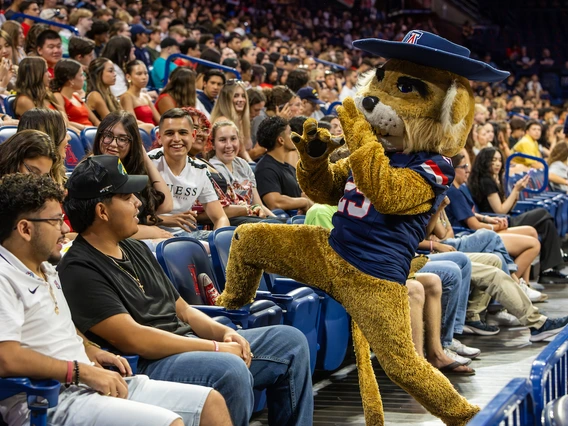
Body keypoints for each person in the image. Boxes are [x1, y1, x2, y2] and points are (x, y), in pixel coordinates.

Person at [59, 154, 314, 426]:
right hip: (147, 363)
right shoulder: (78, 268)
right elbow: (134, 339)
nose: (138, 203)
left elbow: (183, 310)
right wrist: (215, 348)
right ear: (102, 211)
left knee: (291, 342)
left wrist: (224, 333)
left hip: (187, 345)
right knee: (230, 369)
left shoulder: (133, 247)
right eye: (127, 197)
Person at [0, 172, 233, 426]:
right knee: (169, 422)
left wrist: (90, 349)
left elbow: (56, 328)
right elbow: (6, 357)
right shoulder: (4, 277)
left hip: (83, 381)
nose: (66, 229)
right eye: (56, 221)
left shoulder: (45, 267)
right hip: (44, 400)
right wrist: (80, 371)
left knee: (211, 403)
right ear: (25, 229)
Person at [468, 147, 568, 284]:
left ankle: (547, 271)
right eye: (493, 160)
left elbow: (508, 207)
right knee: (543, 213)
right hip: (499, 222)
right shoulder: (486, 182)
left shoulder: (494, 179)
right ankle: (550, 268)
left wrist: (516, 193)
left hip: (506, 218)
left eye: (499, 160)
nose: (497, 163)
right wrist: (516, 190)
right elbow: (500, 210)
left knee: (546, 224)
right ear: (485, 162)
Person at [92, 111, 174, 241]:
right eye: (108, 136)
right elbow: (106, 228)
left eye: (122, 139)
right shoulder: (90, 171)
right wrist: (149, 231)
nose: (113, 144)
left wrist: (144, 157)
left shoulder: (130, 171)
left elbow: (166, 206)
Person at [148, 108, 230, 238]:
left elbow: (220, 218)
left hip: (188, 235)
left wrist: (218, 240)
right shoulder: (148, 163)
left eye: (182, 133)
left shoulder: (200, 170)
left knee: (237, 238)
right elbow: (133, 218)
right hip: (152, 235)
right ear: (159, 137)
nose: (177, 139)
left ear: (193, 136)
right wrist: (167, 220)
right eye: (169, 133)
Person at [207, 120, 277, 222]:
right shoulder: (212, 169)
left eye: (233, 139)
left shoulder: (243, 164)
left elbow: (258, 205)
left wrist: (278, 221)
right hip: (232, 222)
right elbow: (224, 209)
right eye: (222, 140)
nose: (229, 145)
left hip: (252, 217)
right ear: (213, 144)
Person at [254, 116, 313, 214]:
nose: (295, 136)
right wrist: (304, 202)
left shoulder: (289, 168)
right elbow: (274, 203)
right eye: (290, 133)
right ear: (281, 140)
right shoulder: (265, 169)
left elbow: (302, 194)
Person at [17, 108, 70, 185]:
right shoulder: (24, 180)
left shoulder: (58, 174)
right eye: (64, 132)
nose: (69, 137)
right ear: (51, 136)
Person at [210, 79, 253, 162]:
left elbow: (243, 152)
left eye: (243, 96)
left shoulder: (239, 122)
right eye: (236, 96)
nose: (241, 100)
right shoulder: (222, 122)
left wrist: (252, 164)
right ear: (226, 99)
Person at [51, 59, 100, 129]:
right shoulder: (58, 96)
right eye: (81, 75)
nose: (84, 78)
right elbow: (64, 122)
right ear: (70, 80)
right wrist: (85, 128)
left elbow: (95, 121)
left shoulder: (76, 96)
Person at [120, 60, 160, 125]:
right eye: (139, 74)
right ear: (128, 77)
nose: (144, 77)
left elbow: (159, 119)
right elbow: (132, 122)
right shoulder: (127, 96)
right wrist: (150, 127)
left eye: (146, 73)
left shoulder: (145, 96)